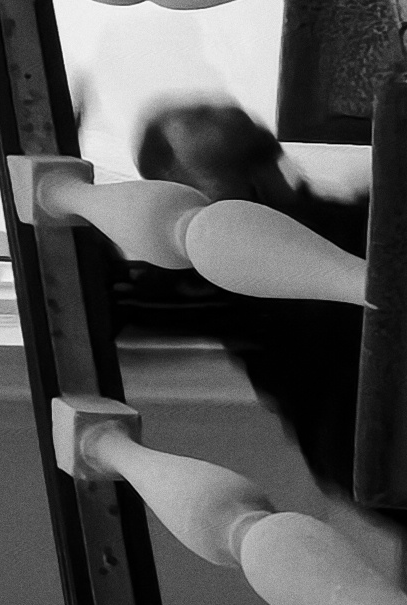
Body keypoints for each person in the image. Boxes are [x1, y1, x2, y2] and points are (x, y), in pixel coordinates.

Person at [119, 99, 366, 491]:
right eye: (196, 115)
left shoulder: (351, 216)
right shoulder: (208, 276)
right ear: (174, 178)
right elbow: (110, 299)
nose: (213, 108)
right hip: (371, 441)